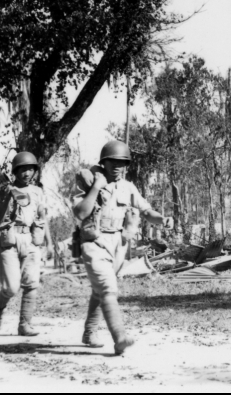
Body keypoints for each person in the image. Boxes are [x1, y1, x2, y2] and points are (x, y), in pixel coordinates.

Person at [73, 140, 173, 355]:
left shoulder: (127, 187)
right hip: (94, 243)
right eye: (113, 162)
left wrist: (162, 219)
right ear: (104, 163)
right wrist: (97, 187)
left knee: (100, 290)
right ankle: (119, 338)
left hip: (118, 244)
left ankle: (90, 331)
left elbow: (146, 211)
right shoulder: (88, 182)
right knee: (108, 289)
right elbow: (81, 213)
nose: (118, 167)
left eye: (122, 163)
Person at [0, 151, 47, 336]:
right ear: (15, 171)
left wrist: (47, 243)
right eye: (22, 170)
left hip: (30, 240)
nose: (27, 173)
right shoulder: (4, 190)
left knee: (31, 283)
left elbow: (42, 218)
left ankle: (25, 324)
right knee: (11, 287)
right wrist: (7, 198)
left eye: (30, 169)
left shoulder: (38, 192)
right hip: (10, 240)